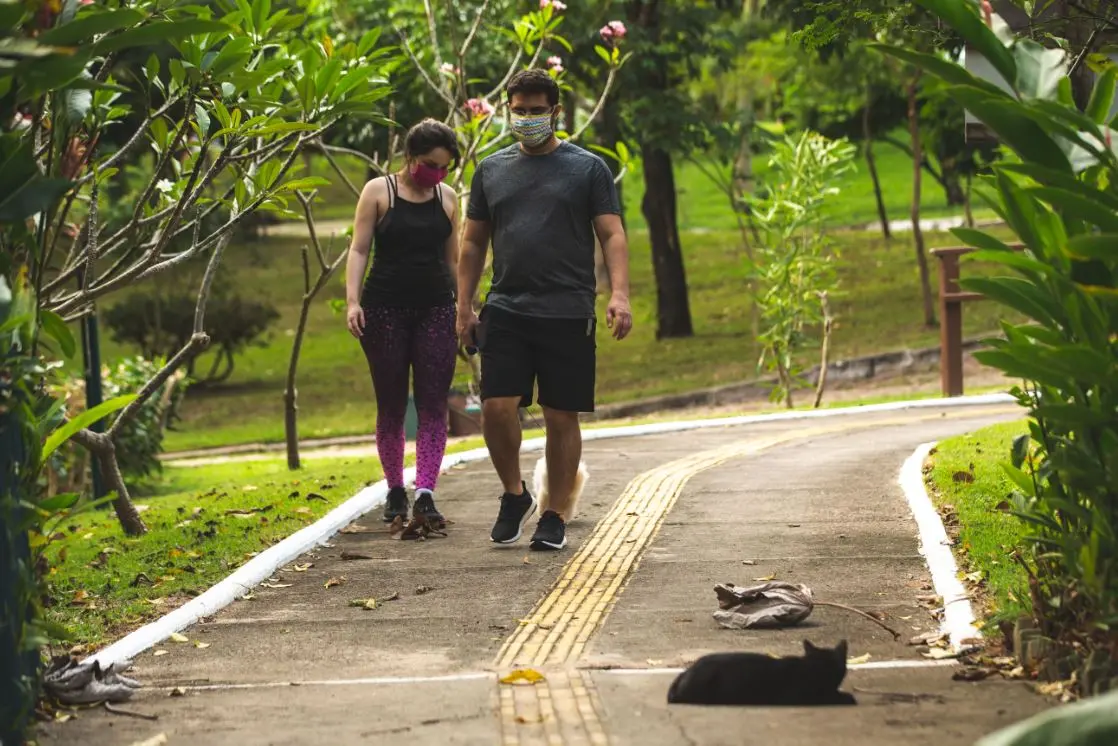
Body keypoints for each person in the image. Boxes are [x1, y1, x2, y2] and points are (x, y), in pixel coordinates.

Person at [457, 69, 633, 552]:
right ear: (508, 110)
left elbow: (612, 234)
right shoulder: (491, 170)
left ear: (556, 112)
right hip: (507, 307)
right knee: (495, 408)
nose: (529, 119)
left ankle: (553, 511)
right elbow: (472, 243)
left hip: (568, 309)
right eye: (520, 110)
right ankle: (514, 495)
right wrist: (464, 306)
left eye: (538, 111)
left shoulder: (587, 169)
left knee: (561, 415)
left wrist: (618, 294)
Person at [345, 119, 461, 527]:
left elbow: (453, 260)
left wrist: (465, 308)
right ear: (410, 157)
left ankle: (425, 491)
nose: (437, 174)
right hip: (384, 309)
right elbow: (359, 250)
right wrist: (352, 301)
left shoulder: (447, 198)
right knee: (391, 403)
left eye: (445, 167)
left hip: (436, 308)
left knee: (433, 403)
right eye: (430, 164)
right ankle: (395, 488)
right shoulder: (379, 191)